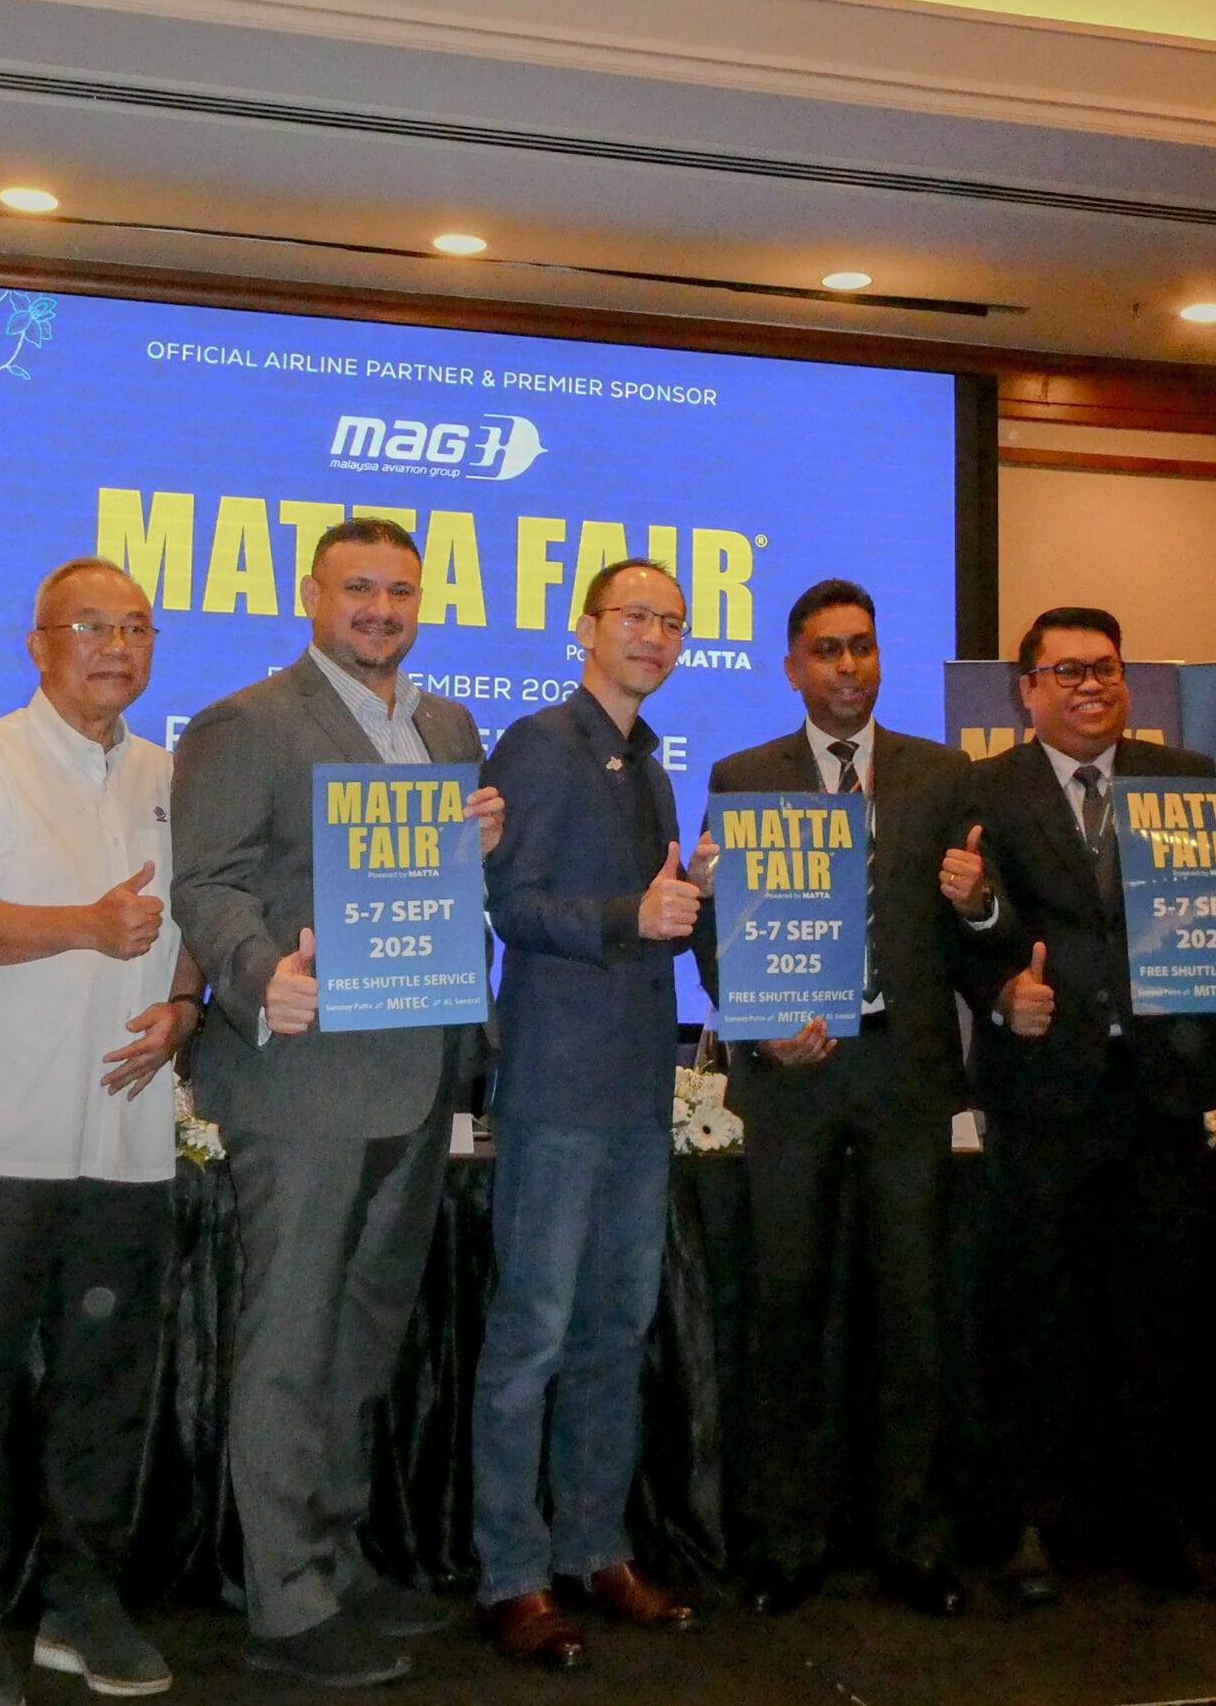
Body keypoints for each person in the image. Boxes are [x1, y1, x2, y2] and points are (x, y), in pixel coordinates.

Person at [169, 517, 504, 1689]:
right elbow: (206, 883)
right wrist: (262, 972)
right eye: (358, 586)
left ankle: (334, 1553)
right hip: (301, 1079)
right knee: (290, 1339)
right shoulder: (247, 722)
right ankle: (284, 1598)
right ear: (311, 593)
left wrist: (479, 841)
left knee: (360, 1336)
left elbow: (432, 888)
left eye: (400, 590)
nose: (380, 608)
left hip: (417, 1071)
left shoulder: (447, 727)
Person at [0, 558, 205, 1706]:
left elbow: (192, 923)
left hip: (125, 1135)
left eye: (137, 627)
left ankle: (81, 1601)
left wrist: (185, 1006)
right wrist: (85, 923)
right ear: (38, 642)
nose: (116, 646)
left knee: (104, 1386)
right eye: (91, 625)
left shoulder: (173, 775)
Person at [702, 578, 990, 1619]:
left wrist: (984, 902)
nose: (848, 666)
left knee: (913, 1314)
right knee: (788, 1313)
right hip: (793, 1079)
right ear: (793, 667)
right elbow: (715, 932)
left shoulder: (942, 773)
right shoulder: (742, 777)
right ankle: (787, 1540)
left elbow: (978, 930)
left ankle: (914, 1538)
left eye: (862, 646)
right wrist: (758, 1019)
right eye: (826, 650)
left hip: (903, 1075)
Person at [958, 607, 1216, 1602]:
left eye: (1107, 667)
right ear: (1027, 690)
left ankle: (1169, 1522)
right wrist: (1002, 990)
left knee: (1163, 1312)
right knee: (1038, 1312)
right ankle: (1032, 1522)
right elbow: (960, 928)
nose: (1092, 685)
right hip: (1043, 1090)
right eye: (1069, 670)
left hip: (1162, 1083)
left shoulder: (1187, 777)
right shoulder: (984, 787)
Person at [472, 559, 709, 1668]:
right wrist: (633, 913)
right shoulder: (537, 742)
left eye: (672, 622)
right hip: (557, 1086)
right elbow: (509, 905)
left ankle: (595, 1546)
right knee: (531, 1336)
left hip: (637, 1089)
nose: (654, 635)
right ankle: (511, 1573)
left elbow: (648, 912)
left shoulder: (650, 760)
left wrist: (695, 893)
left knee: (616, 1330)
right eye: (635, 616)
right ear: (585, 627)